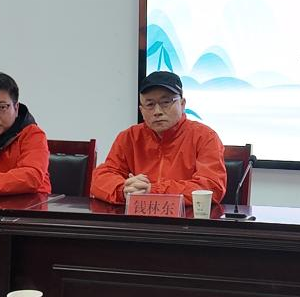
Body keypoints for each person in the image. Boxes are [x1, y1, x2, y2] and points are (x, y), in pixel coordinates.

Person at [91, 71, 227, 205]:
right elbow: (100, 179)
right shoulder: (129, 137)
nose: (157, 112)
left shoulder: (205, 137)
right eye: (150, 104)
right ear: (141, 110)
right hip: (138, 217)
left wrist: (152, 190)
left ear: (182, 104)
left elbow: (211, 187)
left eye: (166, 102)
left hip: (187, 218)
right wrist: (124, 190)